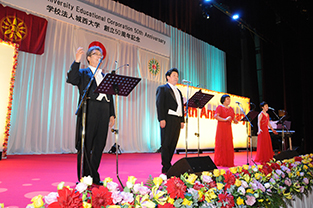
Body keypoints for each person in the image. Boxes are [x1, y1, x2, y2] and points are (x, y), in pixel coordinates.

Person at [67, 46, 115, 185]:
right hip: (89, 109)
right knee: (86, 145)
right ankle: (84, 177)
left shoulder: (105, 76)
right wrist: (76, 61)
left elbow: (110, 96)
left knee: (99, 145)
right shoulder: (83, 73)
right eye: (95, 54)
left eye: (100, 54)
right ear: (88, 57)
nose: (99, 56)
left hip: (104, 111)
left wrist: (112, 114)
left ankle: (94, 175)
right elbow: (72, 78)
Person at [156, 68, 185, 174]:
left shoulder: (178, 91)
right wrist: (161, 118)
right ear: (168, 77)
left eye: (177, 76)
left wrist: (182, 120)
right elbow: (159, 104)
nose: (176, 78)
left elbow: (181, 106)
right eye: (173, 75)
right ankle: (165, 166)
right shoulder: (162, 88)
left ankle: (169, 163)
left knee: (173, 142)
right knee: (166, 143)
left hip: (177, 119)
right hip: (168, 118)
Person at [214, 94, 238, 167]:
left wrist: (235, 121)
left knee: (228, 143)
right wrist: (224, 119)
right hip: (221, 128)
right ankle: (220, 161)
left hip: (228, 128)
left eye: (229, 99)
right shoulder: (220, 107)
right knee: (221, 143)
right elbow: (216, 116)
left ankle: (228, 161)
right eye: (227, 99)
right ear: (223, 101)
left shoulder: (231, 109)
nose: (229, 100)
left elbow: (233, 118)